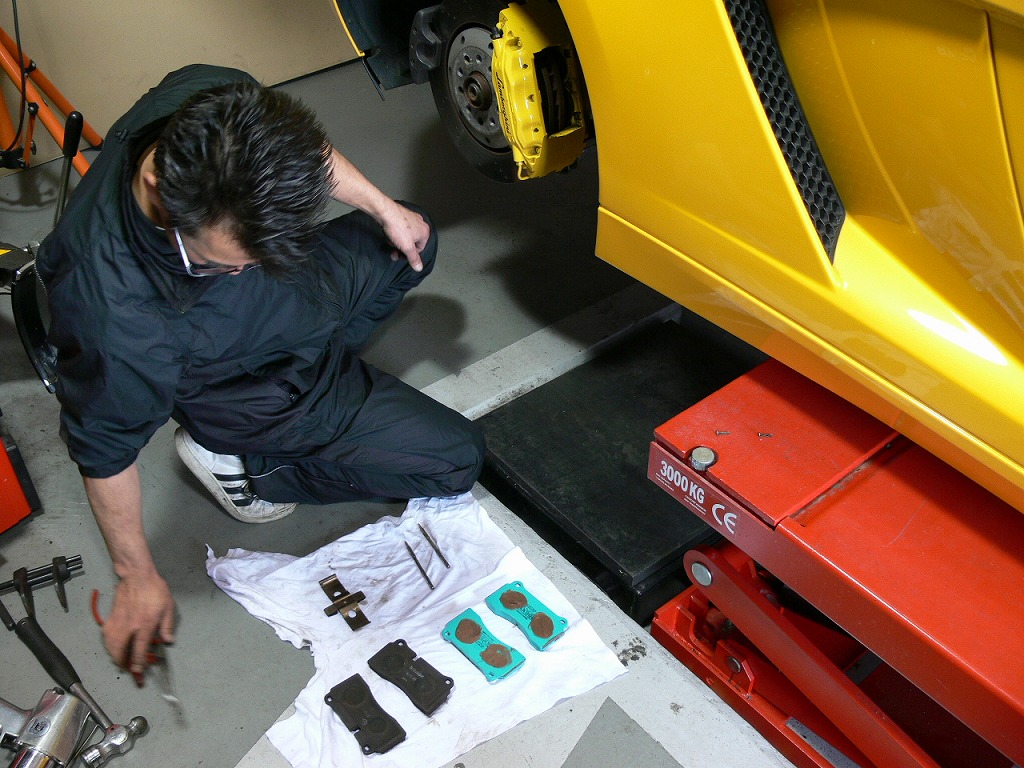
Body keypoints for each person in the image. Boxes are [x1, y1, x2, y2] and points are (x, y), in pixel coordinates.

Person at [36, 64, 485, 680]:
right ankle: (252, 466)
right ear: (159, 189)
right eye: (226, 263)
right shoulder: (113, 317)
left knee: (414, 239)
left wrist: (382, 207)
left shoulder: (205, 101)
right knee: (458, 460)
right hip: (245, 382)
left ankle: (328, 372)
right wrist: (135, 573)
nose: (243, 267)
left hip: (295, 298)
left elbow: (303, 153)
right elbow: (104, 452)